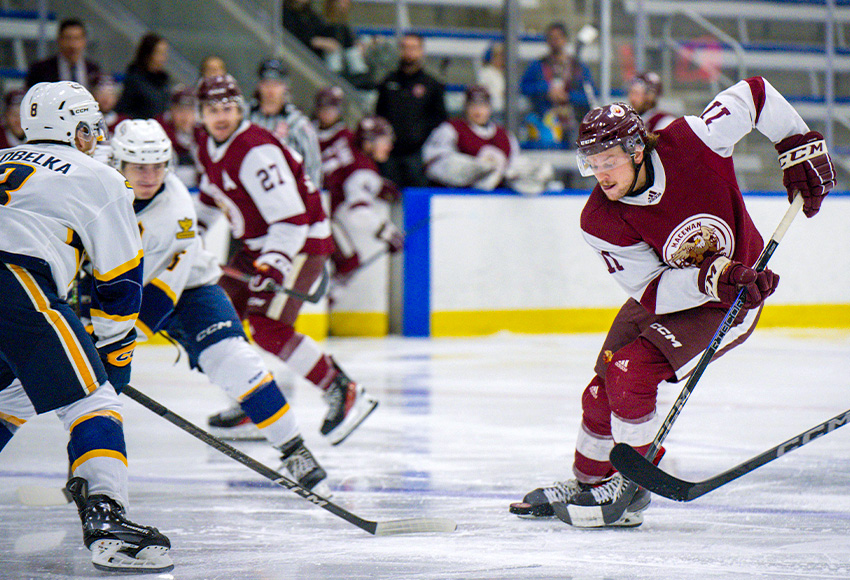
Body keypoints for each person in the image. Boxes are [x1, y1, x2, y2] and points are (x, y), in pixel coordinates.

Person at [510, 77, 835, 528]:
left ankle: (632, 491)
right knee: (601, 389)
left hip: (731, 303)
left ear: (637, 150)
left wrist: (798, 144)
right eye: (591, 163)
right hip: (677, 294)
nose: (600, 174)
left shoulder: (693, 140)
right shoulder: (599, 219)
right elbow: (651, 289)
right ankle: (588, 485)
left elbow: (754, 94)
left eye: (609, 161)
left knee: (631, 375)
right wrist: (712, 276)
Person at [101, 118, 327, 491]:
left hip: (187, 291)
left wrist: (112, 346)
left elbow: (162, 294)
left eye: (158, 166)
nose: (150, 175)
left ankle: (294, 450)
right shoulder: (95, 187)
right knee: (43, 377)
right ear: (118, 164)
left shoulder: (176, 210)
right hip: (115, 289)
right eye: (140, 167)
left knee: (238, 362)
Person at [0, 81, 172, 572]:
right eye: (89, 127)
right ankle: (107, 520)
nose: (93, 137)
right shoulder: (97, 175)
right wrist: (116, 359)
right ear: (74, 128)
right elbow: (118, 282)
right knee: (92, 400)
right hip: (14, 283)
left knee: (9, 396)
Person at [192, 75, 378, 445]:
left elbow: (292, 219)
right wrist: (184, 234)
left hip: (299, 243)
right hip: (260, 244)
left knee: (268, 326)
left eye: (228, 108)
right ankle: (252, 402)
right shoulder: (209, 146)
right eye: (213, 110)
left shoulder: (254, 149)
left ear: (240, 109)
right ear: (201, 114)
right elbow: (210, 200)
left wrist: (274, 264)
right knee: (217, 312)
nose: (221, 116)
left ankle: (341, 388)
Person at [422, 85, 553, 195]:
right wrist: (471, 170)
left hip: (497, 203)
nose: (478, 111)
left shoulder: (505, 136)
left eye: (482, 106)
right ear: (466, 107)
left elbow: (513, 166)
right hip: (460, 199)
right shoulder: (450, 130)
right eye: (473, 105)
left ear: (489, 108)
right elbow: (434, 164)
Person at [323, 115, 404, 283]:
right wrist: (387, 232)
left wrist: (379, 184)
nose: (389, 146)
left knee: (346, 261)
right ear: (368, 143)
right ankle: (327, 298)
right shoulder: (363, 171)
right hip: (316, 216)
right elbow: (358, 213)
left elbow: (343, 171)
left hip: (307, 203)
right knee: (348, 263)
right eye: (384, 141)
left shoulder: (344, 136)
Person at [375, 32, 447, 189]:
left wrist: (421, 136)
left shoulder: (432, 85)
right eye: (405, 47)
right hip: (390, 153)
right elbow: (379, 116)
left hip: (419, 154)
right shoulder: (388, 81)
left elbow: (440, 120)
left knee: (417, 197)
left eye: (413, 48)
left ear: (421, 51)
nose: (409, 52)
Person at [248, 58, 323, 188]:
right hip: (250, 195)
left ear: (285, 86)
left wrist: (310, 199)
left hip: (289, 196)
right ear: (259, 84)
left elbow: (313, 165)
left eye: (276, 84)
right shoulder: (245, 117)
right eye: (266, 83)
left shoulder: (298, 123)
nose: (271, 90)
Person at [520, 22, 594, 133]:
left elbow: (590, 96)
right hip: (545, 123)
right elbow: (523, 87)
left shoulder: (578, 67)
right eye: (551, 38)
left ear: (565, 39)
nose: (555, 41)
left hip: (573, 123)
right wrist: (546, 89)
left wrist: (568, 96)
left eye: (558, 37)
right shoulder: (538, 65)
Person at [26, 19, 101, 89]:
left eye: (77, 38)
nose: (73, 45)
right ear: (59, 40)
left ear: (84, 41)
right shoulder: (40, 70)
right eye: (68, 38)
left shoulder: (93, 70)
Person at [115, 33, 171, 119]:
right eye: (160, 53)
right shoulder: (134, 80)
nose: (164, 58)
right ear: (148, 54)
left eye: (165, 53)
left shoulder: (164, 82)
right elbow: (124, 110)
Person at [157, 86, 205, 188]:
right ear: (171, 111)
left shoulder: (203, 132)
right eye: (180, 110)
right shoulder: (159, 130)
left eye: (190, 110)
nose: (185, 116)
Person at [322, 0, 370, 88]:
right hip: (333, 61)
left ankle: (359, 72)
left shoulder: (344, 25)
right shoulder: (327, 24)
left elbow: (350, 42)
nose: (345, 4)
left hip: (347, 60)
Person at [312, 85, 356, 177]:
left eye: (333, 109)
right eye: (325, 107)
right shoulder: (306, 129)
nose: (328, 113)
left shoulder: (347, 137)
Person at [475, 42, 505, 116]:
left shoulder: (507, 73)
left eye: (502, 56)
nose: (500, 59)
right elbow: (483, 94)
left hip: (507, 111)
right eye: (497, 56)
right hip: (492, 111)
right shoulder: (485, 73)